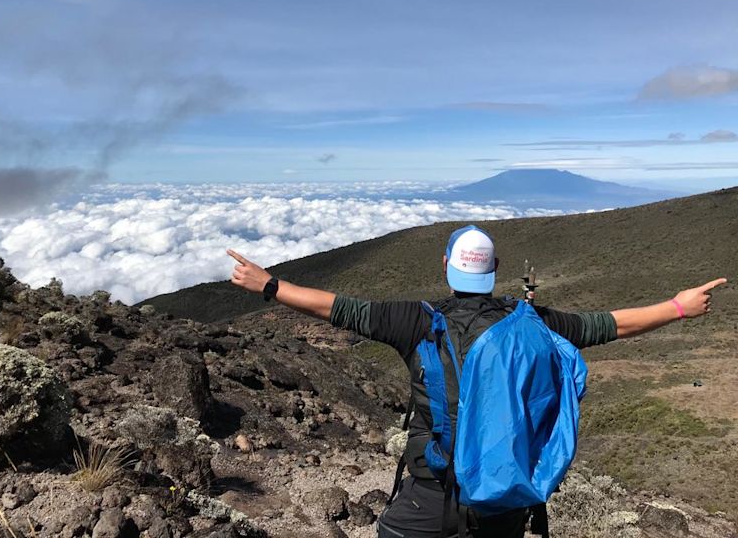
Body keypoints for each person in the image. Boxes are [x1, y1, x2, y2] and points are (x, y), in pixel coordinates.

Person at [226, 225, 726, 538]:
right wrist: (677, 307)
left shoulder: (416, 322)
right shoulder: (533, 324)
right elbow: (606, 325)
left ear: (445, 267)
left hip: (433, 490)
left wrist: (269, 285)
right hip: (505, 492)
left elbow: (340, 309)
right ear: (496, 272)